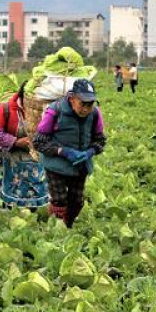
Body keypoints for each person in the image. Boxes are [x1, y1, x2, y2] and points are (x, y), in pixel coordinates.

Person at [33, 78, 106, 228]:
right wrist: (63, 151)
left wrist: (89, 153)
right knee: (59, 199)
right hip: (55, 164)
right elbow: (39, 141)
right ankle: (56, 229)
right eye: (82, 103)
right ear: (72, 99)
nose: (86, 108)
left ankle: (68, 225)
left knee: (77, 201)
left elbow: (100, 140)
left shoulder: (95, 114)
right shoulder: (55, 110)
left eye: (90, 104)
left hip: (80, 164)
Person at [0, 82, 49, 209]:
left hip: (36, 162)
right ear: (23, 97)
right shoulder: (5, 109)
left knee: (36, 195)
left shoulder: (43, 110)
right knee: (12, 196)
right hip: (12, 161)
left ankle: (36, 220)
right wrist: (16, 142)